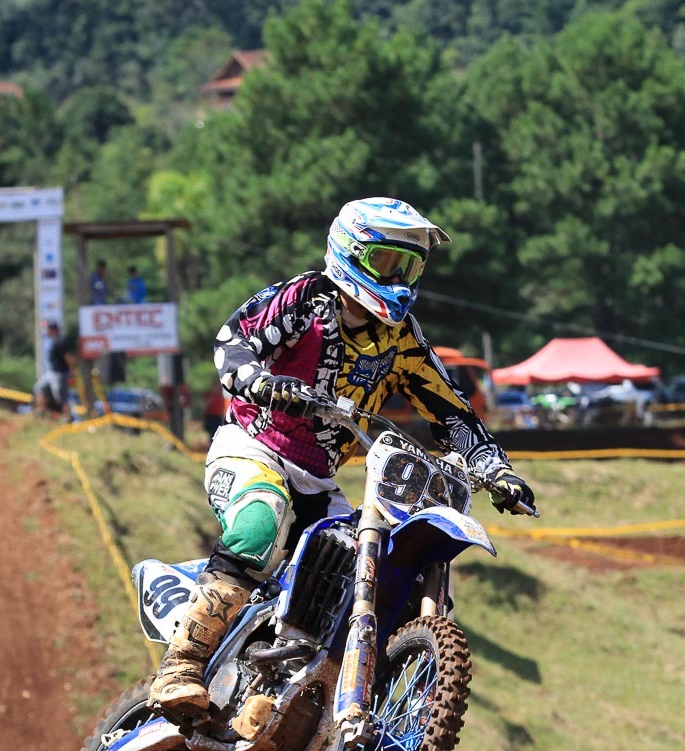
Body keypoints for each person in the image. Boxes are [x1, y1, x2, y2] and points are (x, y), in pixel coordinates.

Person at [149, 196, 535, 716]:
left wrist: (496, 469)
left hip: (319, 480)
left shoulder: (403, 340)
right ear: (351, 253)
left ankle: (303, 692)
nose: (398, 280)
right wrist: (260, 382)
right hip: (253, 447)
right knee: (262, 521)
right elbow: (233, 340)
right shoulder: (307, 298)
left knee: (366, 570)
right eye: (386, 263)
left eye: (408, 267)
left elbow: (454, 412)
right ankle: (181, 667)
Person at [33, 323, 75, 419]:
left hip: (60, 374)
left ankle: (68, 418)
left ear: (53, 330)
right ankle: (41, 411)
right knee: (39, 388)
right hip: (51, 372)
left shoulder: (60, 342)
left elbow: (68, 358)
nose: (46, 332)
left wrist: (72, 371)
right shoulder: (53, 341)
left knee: (61, 397)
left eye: (48, 329)